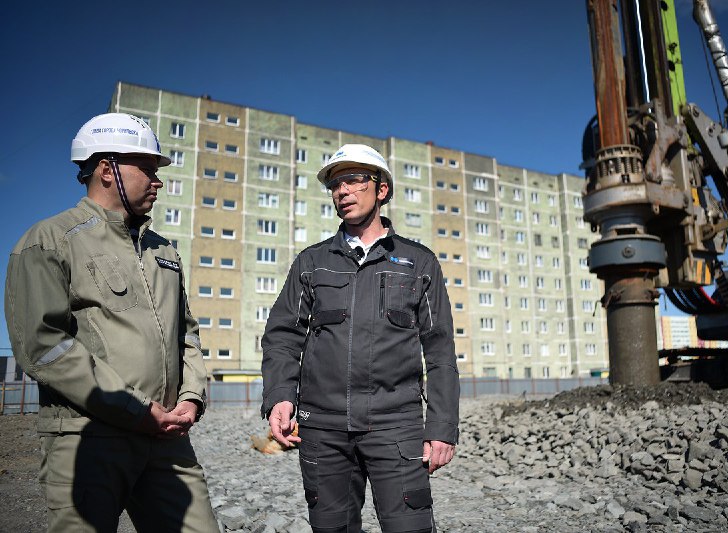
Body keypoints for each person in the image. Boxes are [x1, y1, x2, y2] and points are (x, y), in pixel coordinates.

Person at [4, 113, 217, 532]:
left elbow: (186, 335)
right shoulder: (50, 241)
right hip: (88, 437)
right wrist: (135, 409)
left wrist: (191, 397)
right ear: (106, 169)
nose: (158, 182)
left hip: (167, 439)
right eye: (148, 170)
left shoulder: (164, 252)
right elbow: (43, 345)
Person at [261, 144, 460, 533]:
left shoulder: (419, 263)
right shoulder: (311, 263)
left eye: (353, 180)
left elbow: (439, 351)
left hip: (396, 426)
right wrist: (280, 395)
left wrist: (441, 427)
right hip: (322, 429)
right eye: (336, 184)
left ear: (381, 189)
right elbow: (283, 336)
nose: (343, 191)